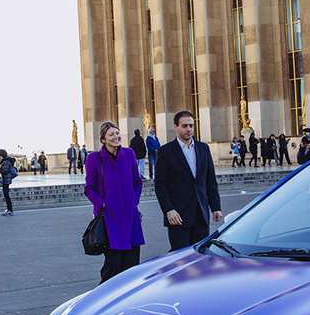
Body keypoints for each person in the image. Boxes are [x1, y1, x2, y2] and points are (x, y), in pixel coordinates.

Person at [84, 121, 145, 282]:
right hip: (109, 219)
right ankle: (104, 301)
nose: (116, 137)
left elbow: (137, 181)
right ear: (103, 139)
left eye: (117, 133)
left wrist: (134, 199)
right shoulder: (94, 159)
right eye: (111, 134)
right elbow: (89, 188)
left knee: (132, 267)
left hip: (130, 216)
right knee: (113, 267)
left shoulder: (129, 154)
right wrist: (104, 203)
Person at [154, 111, 223, 251]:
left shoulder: (203, 148)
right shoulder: (165, 152)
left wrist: (215, 207)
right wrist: (169, 210)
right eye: (184, 126)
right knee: (180, 256)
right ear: (176, 126)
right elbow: (160, 185)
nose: (189, 129)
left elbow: (210, 180)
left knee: (201, 255)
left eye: (191, 125)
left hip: (201, 214)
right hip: (178, 216)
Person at [0, 149, 16, 215]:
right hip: (6, 179)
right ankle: (9, 209)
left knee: (6, 195)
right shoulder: (5, 161)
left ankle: (10, 209)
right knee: (6, 195)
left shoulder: (6, 161)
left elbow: (5, 170)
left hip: (6, 180)